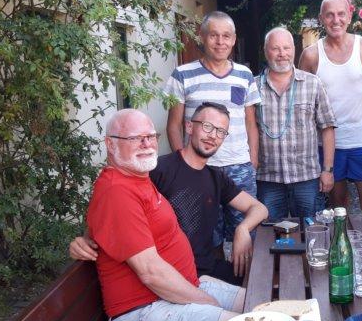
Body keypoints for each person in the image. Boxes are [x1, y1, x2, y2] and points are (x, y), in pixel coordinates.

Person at [85, 108, 244, 321]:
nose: (146, 144)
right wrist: (207, 303)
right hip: (144, 314)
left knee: (260, 305)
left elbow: (104, 228)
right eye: (135, 138)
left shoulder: (138, 178)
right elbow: (151, 273)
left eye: (150, 136)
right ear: (110, 144)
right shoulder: (117, 191)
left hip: (181, 289)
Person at [71, 102, 268, 285]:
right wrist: (86, 239)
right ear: (189, 127)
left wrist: (242, 229)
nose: (213, 135)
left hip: (207, 269)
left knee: (263, 282)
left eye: (221, 131)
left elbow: (259, 208)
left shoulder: (216, 178)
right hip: (171, 276)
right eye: (207, 126)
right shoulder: (157, 169)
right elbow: (114, 206)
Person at [164, 11, 260, 251]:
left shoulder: (245, 75)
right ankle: (211, 274)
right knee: (204, 236)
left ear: (234, 39)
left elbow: (250, 124)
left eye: (226, 36)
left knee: (246, 236)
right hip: (201, 169)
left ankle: (244, 276)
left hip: (239, 167)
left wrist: (252, 162)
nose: (220, 42)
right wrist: (183, 166)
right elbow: (174, 124)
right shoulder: (182, 75)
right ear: (202, 37)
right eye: (213, 35)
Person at [299, 0, 362, 215]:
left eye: (341, 14)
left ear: (350, 16)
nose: (336, 20)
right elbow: (302, 103)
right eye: (330, 15)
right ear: (321, 19)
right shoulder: (311, 55)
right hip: (328, 146)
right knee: (338, 209)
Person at [255, 27, 336, 220]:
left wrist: (327, 170)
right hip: (268, 179)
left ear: (294, 49)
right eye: (275, 48)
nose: (282, 53)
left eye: (286, 48)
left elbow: (327, 127)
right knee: (270, 232)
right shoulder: (253, 87)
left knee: (312, 230)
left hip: (306, 178)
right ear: (266, 52)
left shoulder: (313, 83)